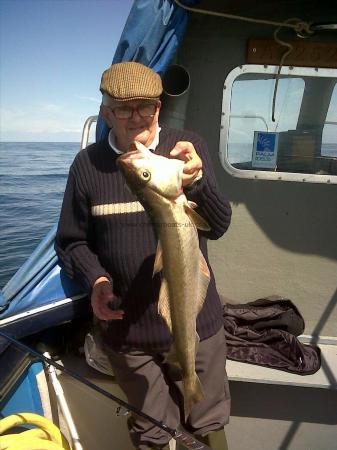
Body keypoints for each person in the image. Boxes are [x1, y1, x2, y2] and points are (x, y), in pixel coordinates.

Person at [55, 61, 232, 450]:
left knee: (209, 419)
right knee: (152, 431)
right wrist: (96, 281)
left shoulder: (187, 149)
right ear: (106, 112)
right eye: (123, 108)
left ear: (158, 107)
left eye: (145, 106)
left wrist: (197, 182)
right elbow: (71, 242)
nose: (136, 117)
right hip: (128, 332)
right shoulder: (86, 166)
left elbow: (218, 226)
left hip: (197, 326)